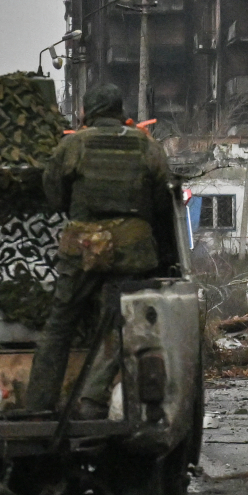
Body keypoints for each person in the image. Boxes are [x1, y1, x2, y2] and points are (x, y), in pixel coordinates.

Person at [25, 84, 174, 418]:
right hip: (131, 250)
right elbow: (163, 198)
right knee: (121, 325)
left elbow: (53, 192)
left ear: (87, 112)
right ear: (120, 111)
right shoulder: (146, 146)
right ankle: (92, 399)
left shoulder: (73, 144)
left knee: (60, 324)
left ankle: (38, 405)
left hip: (83, 247)